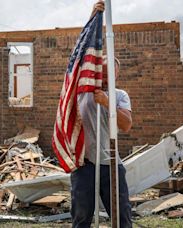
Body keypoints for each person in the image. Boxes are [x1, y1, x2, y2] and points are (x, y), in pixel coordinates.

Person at [70, 2, 133, 227]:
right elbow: (81, 52)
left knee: (121, 216)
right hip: (85, 163)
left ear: (117, 74)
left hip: (111, 163)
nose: (106, 77)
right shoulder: (83, 90)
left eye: (111, 74)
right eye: (103, 71)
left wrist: (107, 103)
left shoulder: (120, 95)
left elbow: (126, 125)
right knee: (81, 217)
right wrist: (93, 15)